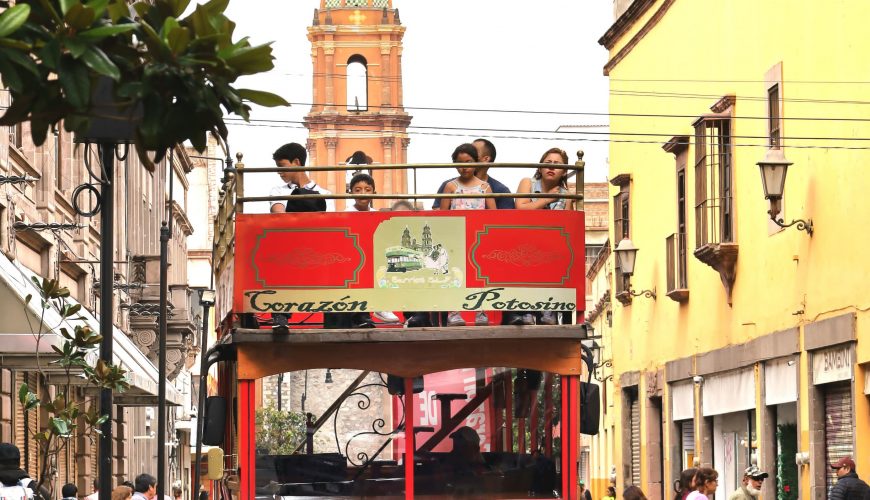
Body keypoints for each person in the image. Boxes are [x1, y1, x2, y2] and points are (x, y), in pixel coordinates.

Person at [508, 147, 574, 326]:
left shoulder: (567, 196)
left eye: (557, 164)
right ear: (540, 167)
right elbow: (520, 209)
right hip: (525, 239)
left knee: (554, 257)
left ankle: (548, 309)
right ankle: (526, 310)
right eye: (547, 163)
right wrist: (546, 200)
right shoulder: (527, 183)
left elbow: (566, 225)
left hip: (550, 244)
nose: (551, 167)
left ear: (564, 172)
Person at [439, 143, 495, 326]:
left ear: (476, 163)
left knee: (478, 275)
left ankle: (481, 311)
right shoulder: (450, 187)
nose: (464, 166)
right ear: (455, 164)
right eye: (460, 162)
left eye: (469, 162)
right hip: (455, 238)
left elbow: (493, 213)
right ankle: (454, 312)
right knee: (455, 275)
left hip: (478, 238)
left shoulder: (485, 187)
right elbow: (443, 213)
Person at [345, 172, 400, 323]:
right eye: (358, 190)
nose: (363, 193)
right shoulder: (344, 214)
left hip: (374, 256)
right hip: (353, 256)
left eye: (367, 189)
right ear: (350, 192)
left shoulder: (378, 215)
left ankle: (382, 306)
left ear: (374, 192)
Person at [432, 138, 515, 209]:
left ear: (485, 159)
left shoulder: (498, 190)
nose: (468, 152)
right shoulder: (448, 186)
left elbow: (500, 220)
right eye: (460, 162)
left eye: (473, 151)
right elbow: (439, 215)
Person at [269, 142, 334, 213]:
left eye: (281, 166)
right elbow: (279, 216)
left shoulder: (325, 194)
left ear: (296, 162)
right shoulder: (278, 191)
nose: (279, 171)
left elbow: (328, 220)